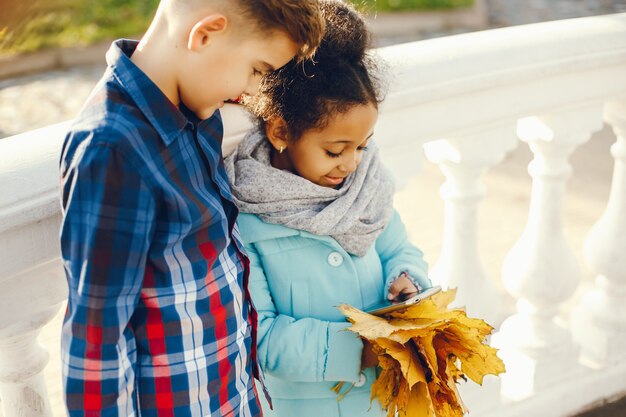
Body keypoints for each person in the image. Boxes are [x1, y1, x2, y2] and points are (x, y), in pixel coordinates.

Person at [58, 1, 324, 416]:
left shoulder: (195, 111)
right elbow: (97, 341)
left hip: (228, 397)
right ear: (204, 34)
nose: (253, 91)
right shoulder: (112, 149)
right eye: (257, 70)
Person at [224, 1, 432, 416]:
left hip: (382, 401)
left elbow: (398, 248)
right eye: (336, 150)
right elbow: (260, 336)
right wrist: (359, 348)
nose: (352, 163)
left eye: (362, 146)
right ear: (281, 130)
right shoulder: (248, 217)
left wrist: (407, 278)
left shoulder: (366, 186)